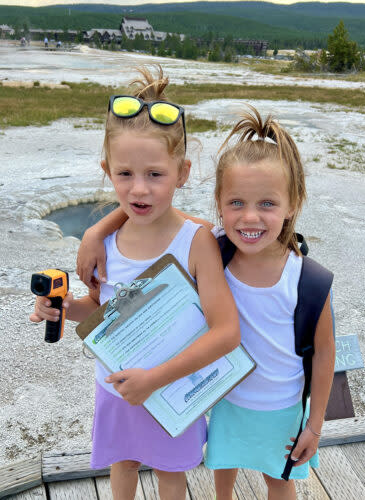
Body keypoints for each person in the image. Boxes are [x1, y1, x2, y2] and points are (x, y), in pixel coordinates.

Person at [77, 106, 336, 500]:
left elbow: (324, 353)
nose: (250, 217)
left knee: (277, 479)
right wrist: (98, 230)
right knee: (217, 469)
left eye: (267, 204)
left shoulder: (300, 277)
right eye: (236, 204)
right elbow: (155, 210)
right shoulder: (217, 247)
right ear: (219, 203)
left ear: (292, 204)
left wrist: (315, 425)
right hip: (222, 398)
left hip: (274, 404)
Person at [30, 66, 240, 500]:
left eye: (155, 175)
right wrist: (65, 308)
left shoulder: (196, 240)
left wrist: (156, 378)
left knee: (169, 473)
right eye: (125, 174)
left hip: (174, 388)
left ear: (182, 173)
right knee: (121, 464)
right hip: (117, 384)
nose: (139, 190)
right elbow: (101, 308)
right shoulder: (105, 239)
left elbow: (226, 332)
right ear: (107, 170)